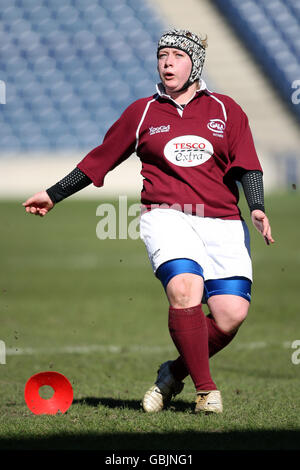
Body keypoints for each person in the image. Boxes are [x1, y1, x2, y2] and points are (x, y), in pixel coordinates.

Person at [23, 28, 274, 414]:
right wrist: (54, 193)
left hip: (223, 221)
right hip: (166, 216)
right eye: (163, 55)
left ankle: (173, 374)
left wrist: (256, 206)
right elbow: (101, 157)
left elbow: (247, 164)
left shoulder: (226, 110)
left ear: (195, 63)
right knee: (185, 289)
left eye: (177, 55)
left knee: (230, 315)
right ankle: (207, 391)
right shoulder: (142, 111)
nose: (168, 62)